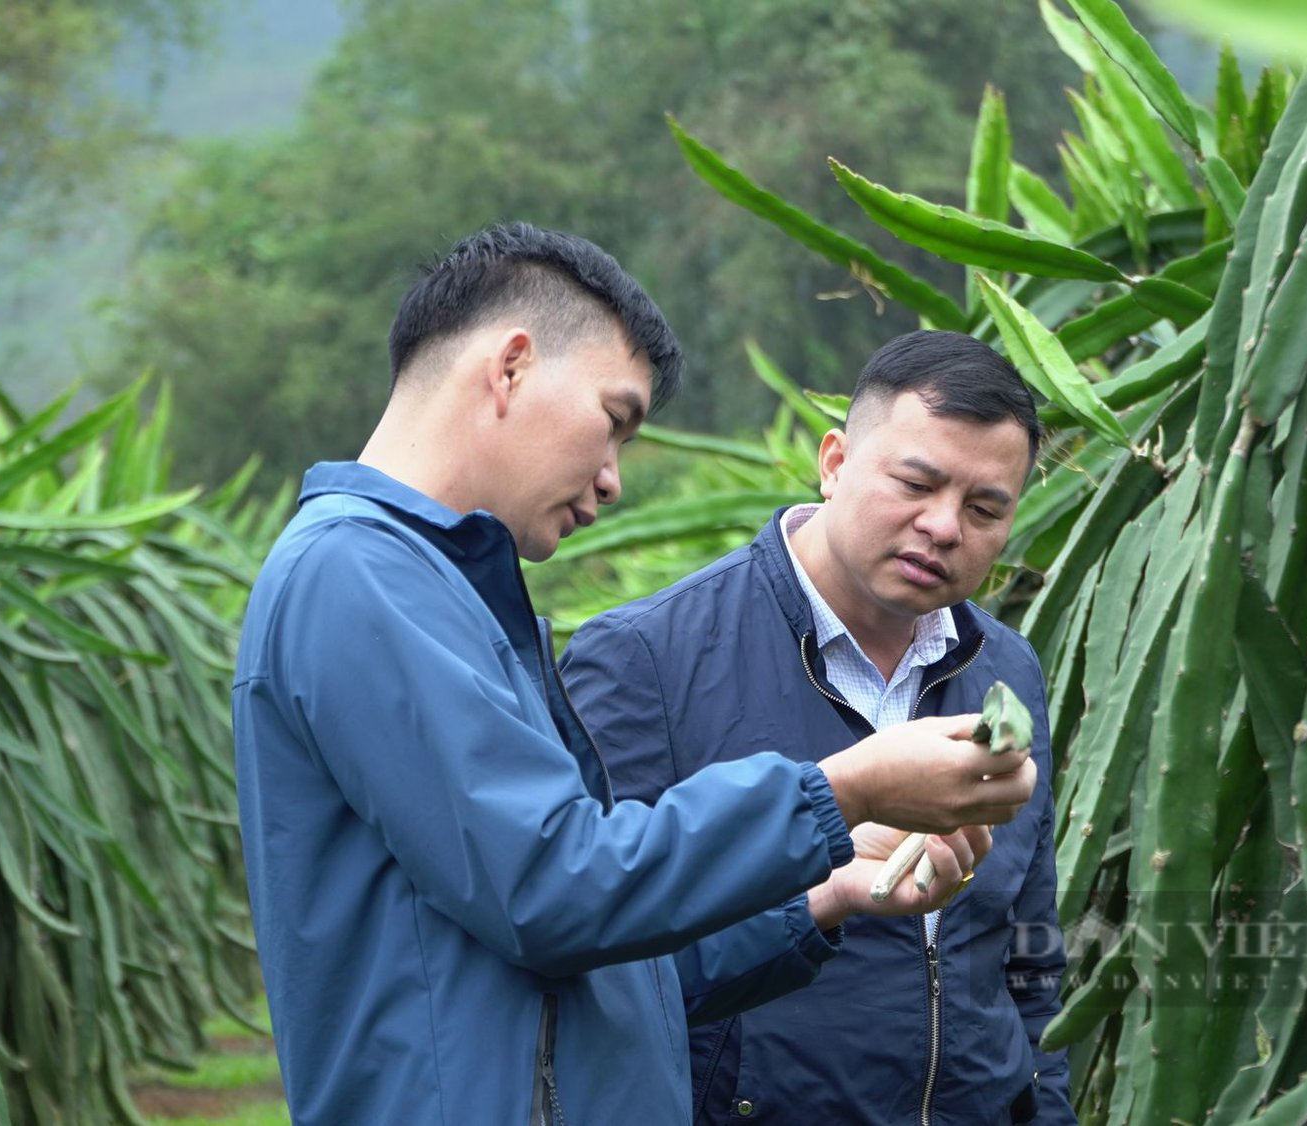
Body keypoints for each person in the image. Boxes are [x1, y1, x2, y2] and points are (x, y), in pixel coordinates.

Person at [231, 224, 1043, 1123]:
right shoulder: (362, 576)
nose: (614, 479)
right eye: (614, 420)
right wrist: (839, 793)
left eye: (982, 507)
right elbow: (553, 889)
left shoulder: (438, 587)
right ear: (510, 368)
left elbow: (597, 966)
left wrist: (824, 897)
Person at [561, 330, 1076, 1124]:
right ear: (834, 462)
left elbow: (1029, 947)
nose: (943, 526)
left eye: (983, 508)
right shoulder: (644, 660)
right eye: (916, 483)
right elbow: (600, 963)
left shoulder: (1006, 669)